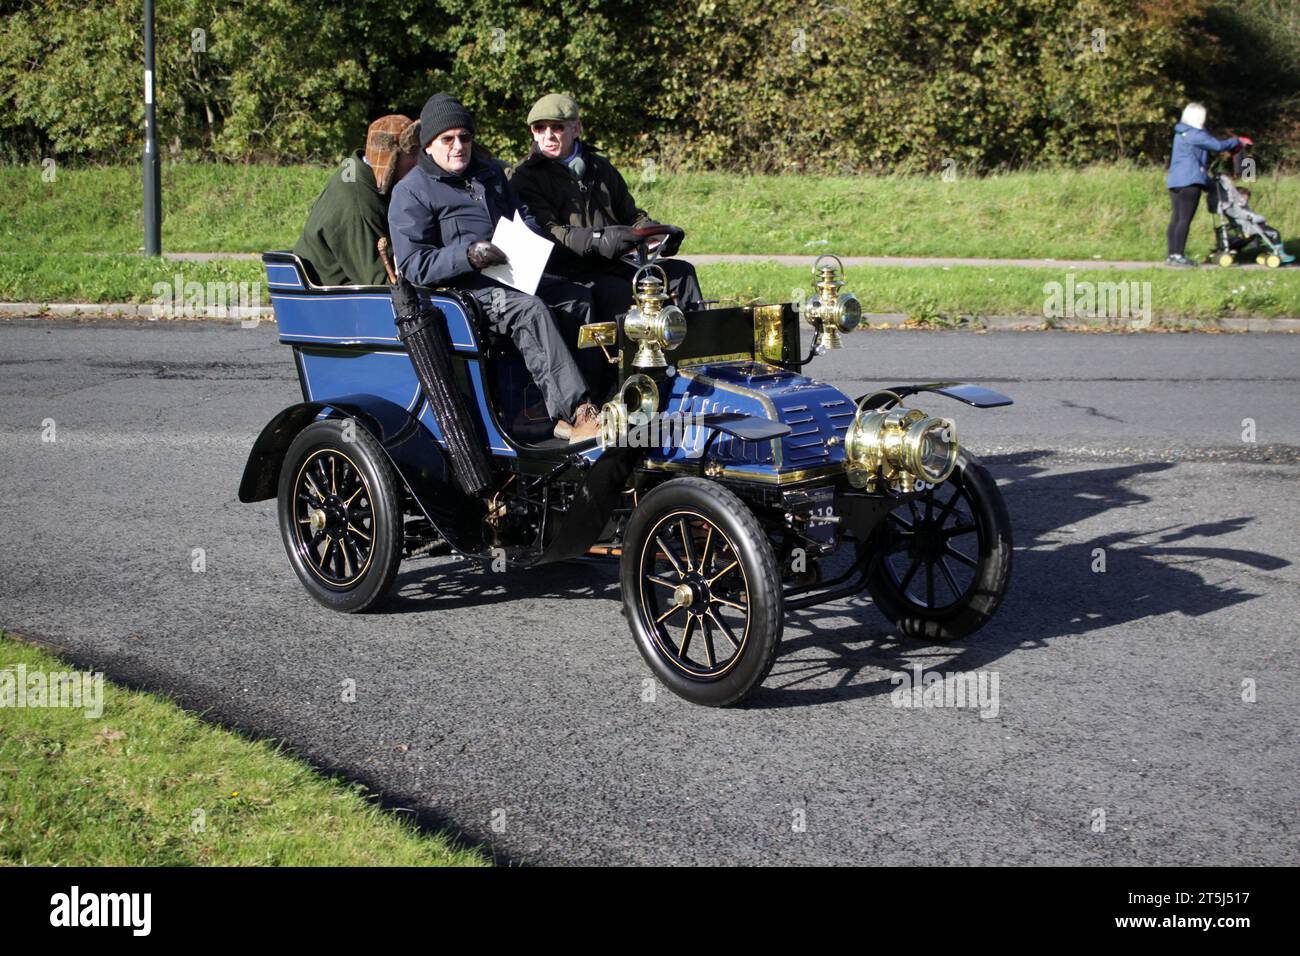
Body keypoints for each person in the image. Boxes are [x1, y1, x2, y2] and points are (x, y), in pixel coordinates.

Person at [388, 93, 601, 442]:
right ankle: (574, 414)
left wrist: (529, 236)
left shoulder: (490, 176)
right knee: (529, 310)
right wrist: (469, 255)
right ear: (428, 145)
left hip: (511, 273)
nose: (459, 146)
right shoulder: (410, 192)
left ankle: (594, 399)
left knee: (578, 299)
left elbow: (524, 216)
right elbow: (413, 265)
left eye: (465, 137)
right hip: (461, 294)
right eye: (448, 139)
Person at [508, 94, 702, 325]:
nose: (548, 136)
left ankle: (690, 351)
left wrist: (655, 232)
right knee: (619, 292)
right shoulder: (524, 176)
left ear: (576, 128)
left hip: (615, 263)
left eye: (557, 127)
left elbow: (631, 215)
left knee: (681, 274)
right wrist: (600, 240)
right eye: (540, 128)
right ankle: (627, 360)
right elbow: (550, 232)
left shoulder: (600, 167)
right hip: (567, 271)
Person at [294, 115, 420, 285]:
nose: (418, 161)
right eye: (412, 153)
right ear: (390, 158)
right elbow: (381, 279)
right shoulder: (359, 203)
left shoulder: (358, 173)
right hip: (334, 297)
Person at [1165, 102, 1249, 268]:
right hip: (1190, 181)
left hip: (1175, 180)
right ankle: (1179, 255)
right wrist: (1236, 141)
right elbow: (1218, 146)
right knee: (1184, 220)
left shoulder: (1180, 132)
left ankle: (1172, 255)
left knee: (1176, 218)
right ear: (1198, 117)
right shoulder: (1195, 134)